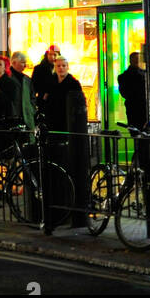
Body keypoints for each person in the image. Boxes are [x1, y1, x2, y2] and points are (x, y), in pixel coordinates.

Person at [39, 57, 89, 229]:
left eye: (63, 66)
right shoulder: (51, 82)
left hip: (68, 127)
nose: (61, 68)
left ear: (68, 67)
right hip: (53, 127)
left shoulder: (73, 83)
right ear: (55, 67)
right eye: (58, 66)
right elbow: (44, 101)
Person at [117, 51, 150, 129]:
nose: (137, 62)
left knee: (145, 135)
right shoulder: (125, 77)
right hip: (136, 112)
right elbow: (126, 93)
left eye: (138, 59)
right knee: (142, 135)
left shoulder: (149, 74)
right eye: (135, 60)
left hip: (146, 111)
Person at [9, 51, 36, 130]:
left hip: (27, 117)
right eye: (23, 62)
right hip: (12, 118)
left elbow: (32, 96)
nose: (25, 65)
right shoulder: (6, 78)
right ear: (14, 62)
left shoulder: (27, 79)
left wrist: (31, 110)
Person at [32, 45, 61, 113]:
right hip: (43, 101)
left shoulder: (60, 68)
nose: (52, 57)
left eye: (54, 55)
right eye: (50, 54)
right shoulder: (38, 68)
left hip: (58, 101)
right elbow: (34, 86)